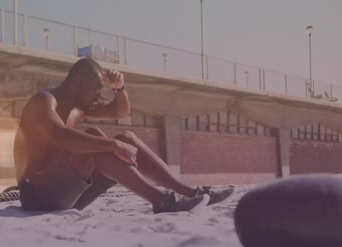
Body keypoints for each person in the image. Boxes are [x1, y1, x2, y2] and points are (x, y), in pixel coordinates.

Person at [13, 57, 234, 213]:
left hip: (70, 194)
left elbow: (121, 112)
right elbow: (60, 136)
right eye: (97, 91)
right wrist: (112, 146)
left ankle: (191, 192)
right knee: (97, 138)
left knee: (126, 138)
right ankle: (162, 201)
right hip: (37, 196)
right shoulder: (44, 101)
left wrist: (119, 88)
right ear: (79, 82)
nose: (99, 97)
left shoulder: (79, 106)